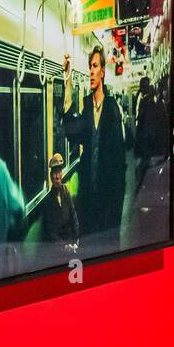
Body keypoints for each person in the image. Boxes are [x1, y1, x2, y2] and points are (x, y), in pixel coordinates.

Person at [57, 45, 127, 253]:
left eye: (95, 66)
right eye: (89, 67)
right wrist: (68, 80)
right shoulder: (86, 106)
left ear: (103, 72)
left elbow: (119, 163)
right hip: (88, 201)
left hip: (108, 201)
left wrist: (117, 210)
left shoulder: (113, 109)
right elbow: (71, 132)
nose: (91, 72)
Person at [39, 152, 80, 247]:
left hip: (71, 242)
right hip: (59, 247)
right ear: (50, 176)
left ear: (61, 173)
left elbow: (74, 217)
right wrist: (64, 246)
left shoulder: (66, 191)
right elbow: (50, 232)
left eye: (59, 172)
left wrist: (76, 239)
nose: (57, 176)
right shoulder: (48, 200)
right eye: (54, 173)